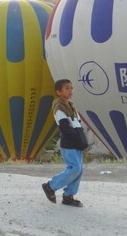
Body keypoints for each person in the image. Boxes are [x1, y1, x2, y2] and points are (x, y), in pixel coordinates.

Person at [42, 79, 88, 207]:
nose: (70, 91)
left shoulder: (71, 106)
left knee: (79, 170)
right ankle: (50, 186)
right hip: (69, 143)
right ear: (58, 92)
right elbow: (65, 126)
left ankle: (69, 196)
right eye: (67, 88)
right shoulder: (59, 107)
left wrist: (82, 139)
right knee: (75, 168)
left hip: (76, 142)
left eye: (71, 88)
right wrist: (77, 138)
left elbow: (78, 124)